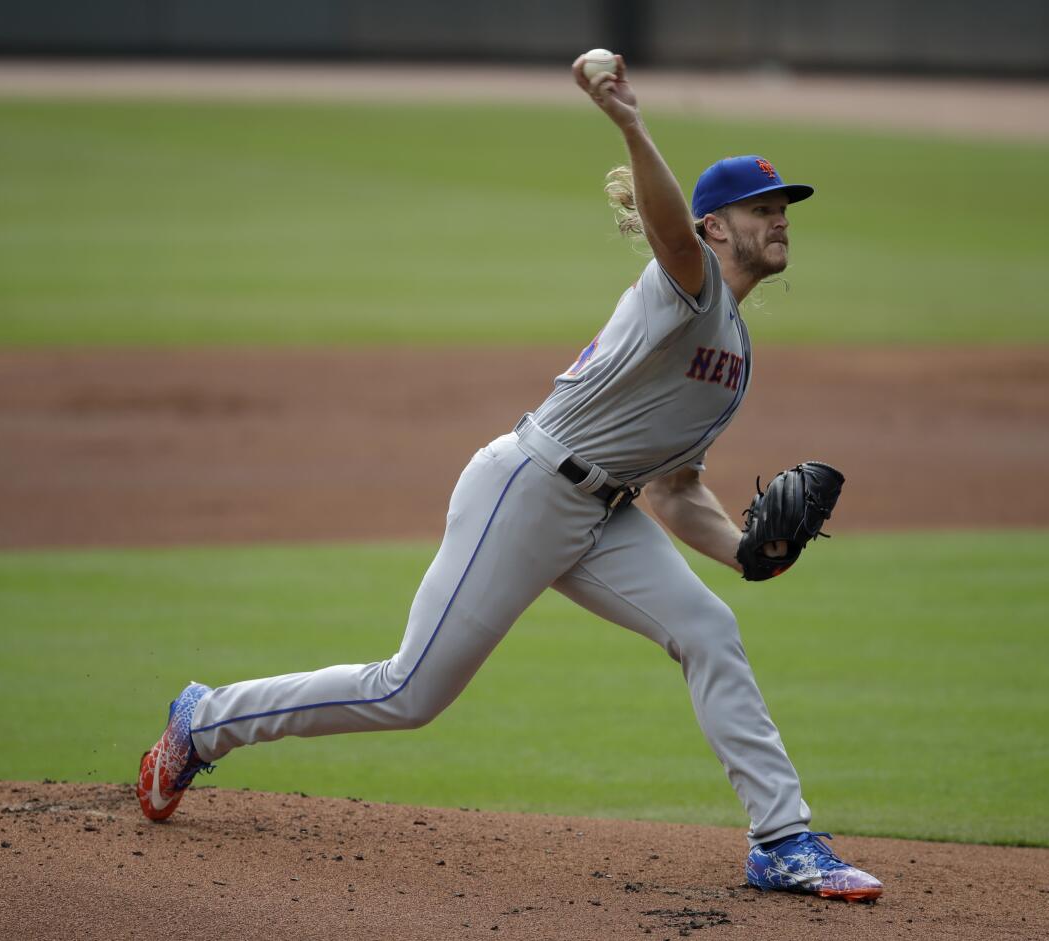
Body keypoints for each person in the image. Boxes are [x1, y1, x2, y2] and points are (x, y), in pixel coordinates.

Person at [136, 54, 883, 903]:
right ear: (717, 227)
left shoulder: (734, 358)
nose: (781, 219)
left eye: (785, 208)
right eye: (763, 208)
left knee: (709, 629)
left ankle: (781, 840)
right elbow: (668, 227)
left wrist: (749, 553)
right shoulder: (688, 284)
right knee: (409, 691)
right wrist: (630, 123)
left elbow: (674, 491)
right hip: (526, 490)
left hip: (603, 514)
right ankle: (205, 719)